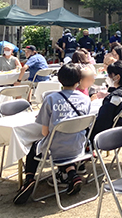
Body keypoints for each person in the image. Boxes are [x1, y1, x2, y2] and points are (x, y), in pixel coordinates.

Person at [13, 64, 91, 204]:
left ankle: (29, 179)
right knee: (63, 143)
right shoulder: (85, 99)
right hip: (78, 147)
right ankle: (73, 175)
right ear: (78, 81)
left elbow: (44, 132)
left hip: (57, 148)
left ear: (60, 80)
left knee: (37, 146)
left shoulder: (51, 99)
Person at [92, 61, 122, 142]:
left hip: (111, 136)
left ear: (117, 77)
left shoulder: (115, 98)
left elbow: (102, 121)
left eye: (109, 75)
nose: (108, 78)